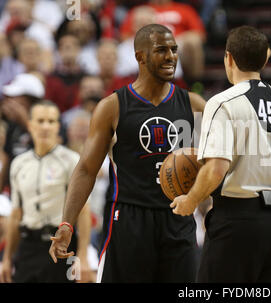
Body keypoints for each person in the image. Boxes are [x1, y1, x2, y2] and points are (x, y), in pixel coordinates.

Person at [48, 24, 207, 283]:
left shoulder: (194, 104)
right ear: (140, 56)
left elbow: (224, 153)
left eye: (174, 49)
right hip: (130, 218)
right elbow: (87, 169)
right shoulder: (112, 106)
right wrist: (67, 223)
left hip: (179, 216)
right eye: (161, 50)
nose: (171, 56)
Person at [170, 25, 271, 283]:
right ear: (265, 59)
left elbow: (216, 168)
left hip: (236, 221)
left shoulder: (221, 102)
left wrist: (191, 199)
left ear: (228, 58)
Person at [0, 100, 92, 283]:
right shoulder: (19, 163)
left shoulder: (71, 160)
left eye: (51, 121)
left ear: (58, 126)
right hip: (28, 246)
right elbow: (16, 214)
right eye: (40, 120)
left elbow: (83, 211)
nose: (46, 126)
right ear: (30, 125)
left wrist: (82, 256)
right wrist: (7, 258)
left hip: (60, 246)